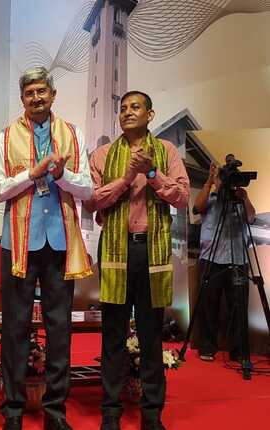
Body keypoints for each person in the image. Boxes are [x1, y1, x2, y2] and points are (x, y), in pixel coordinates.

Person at [0, 66, 93, 430]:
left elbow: (89, 190)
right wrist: (29, 175)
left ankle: (55, 412)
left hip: (60, 243)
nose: (37, 98)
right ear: (22, 99)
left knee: (59, 327)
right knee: (14, 327)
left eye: (42, 91)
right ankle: (13, 410)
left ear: (53, 94)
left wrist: (63, 175)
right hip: (17, 244)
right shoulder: (5, 137)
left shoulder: (73, 135)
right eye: (30, 92)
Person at [85, 90, 189, 430]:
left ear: (150, 114)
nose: (128, 112)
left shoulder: (166, 152)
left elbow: (184, 196)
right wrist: (128, 177)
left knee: (150, 334)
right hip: (116, 249)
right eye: (123, 108)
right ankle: (111, 411)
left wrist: (153, 174)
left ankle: (151, 414)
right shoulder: (103, 154)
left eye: (135, 107)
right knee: (113, 334)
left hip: (152, 250)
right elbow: (92, 201)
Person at [193, 162, 255, 362]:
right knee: (209, 306)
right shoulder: (210, 199)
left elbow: (251, 217)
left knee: (238, 306)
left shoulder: (239, 201)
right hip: (212, 258)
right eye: (223, 179)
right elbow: (196, 207)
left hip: (237, 259)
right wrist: (211, 181)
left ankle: (237, 350)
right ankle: (207, 347)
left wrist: (244, 198)